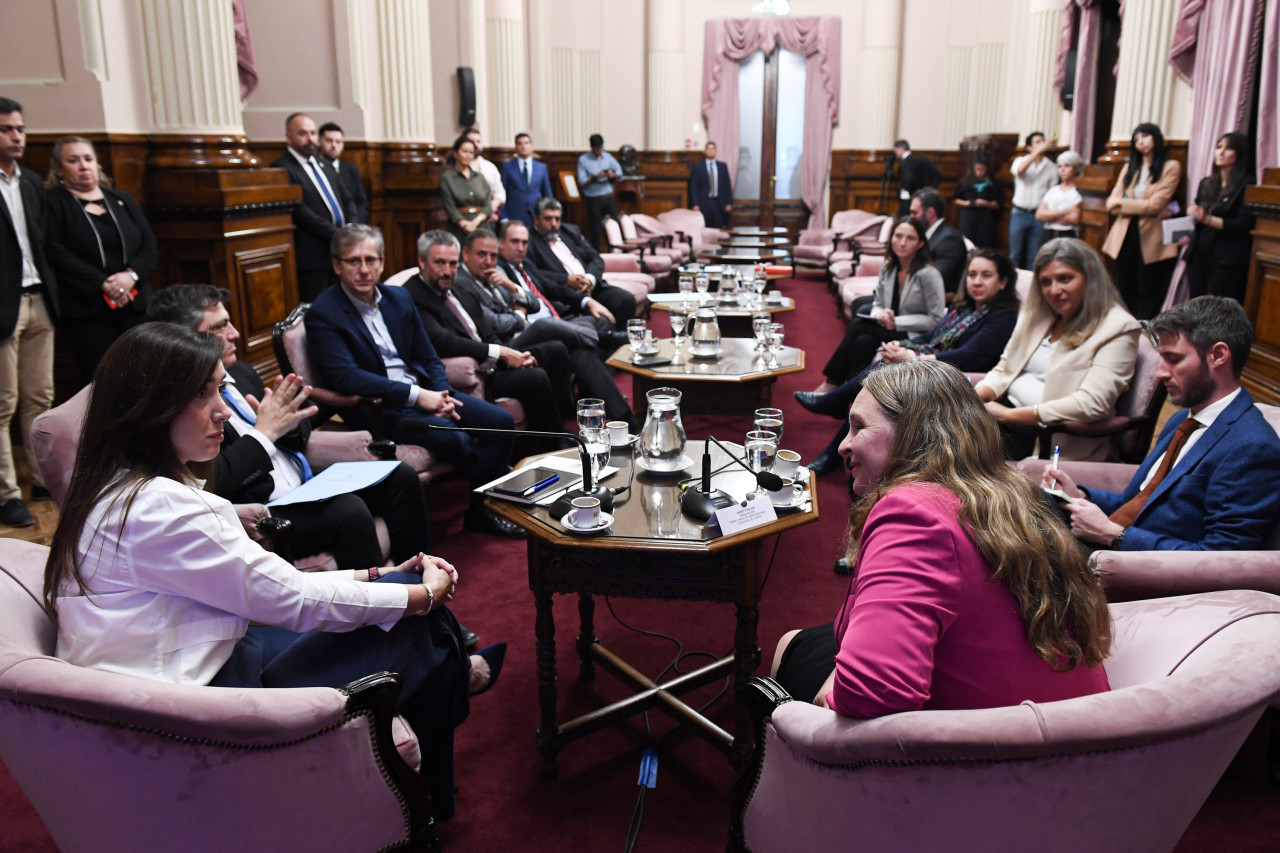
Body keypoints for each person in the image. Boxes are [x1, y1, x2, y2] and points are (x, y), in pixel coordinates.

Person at [44, 321, 503, 823]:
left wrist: (379, 576)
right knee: (423, 624)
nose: (223, 410)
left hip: (208, 660)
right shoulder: (157, 507)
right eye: (203, 395)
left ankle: (441, 756)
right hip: (208, 704)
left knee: (411, 604)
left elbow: (274, 589)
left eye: (220, 387)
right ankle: (425, 803)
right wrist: (422, 597)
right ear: (150, 407)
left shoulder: (120, 485)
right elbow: (292, 600)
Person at [770, 359, 1111, 717]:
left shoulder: (912, 513)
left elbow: (871, 693)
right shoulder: (1014, 491)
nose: (844, 445)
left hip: (986, 752)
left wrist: (831, 690)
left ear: (914, 435)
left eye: (858, 427)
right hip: (1072, 732)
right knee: (800, 643)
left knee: (791, 653)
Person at [147, 284, 436, 572]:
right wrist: (265, 433)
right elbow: (211, 480)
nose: (235, 333)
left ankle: (420, 576)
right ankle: (378, 609)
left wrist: (288, 421)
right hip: (263, 506)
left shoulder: (242, 372)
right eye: (221, 327)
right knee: (350, 512)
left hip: (302, 480)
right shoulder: (181, 405)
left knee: (399, 475)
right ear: (186, 339)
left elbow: (298, 436)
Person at [305, 224, 525, 539]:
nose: (364, 269)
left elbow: (428, 355)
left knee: (500, 422)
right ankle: (494, 486)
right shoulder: (325, 313)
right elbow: (347, 377)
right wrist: (417, 396)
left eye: (371, 260)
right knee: (455, 438)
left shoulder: (398, 299)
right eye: (354, 261)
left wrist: (441, 392)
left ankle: (481, 510)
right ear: (337, 265)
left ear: (382, 262)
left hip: (426, 394)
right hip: (381, 408)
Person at [1042, 296, 1280, 552]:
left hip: (1134, 572)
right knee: (1019, 503)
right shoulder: (1182, 420)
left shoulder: (1253, 446)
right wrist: (1080, 496)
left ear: (1218, 355)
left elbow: (1223, 558)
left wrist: (1114, 536)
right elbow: (1138, 503)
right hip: (1109, 546)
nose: (1160, 372)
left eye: (1174, 359)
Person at [800, 249, 1021, 480]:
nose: (977, 281)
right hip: (934, 364)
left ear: (1003, 281)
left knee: (886, 372)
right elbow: (930, 337)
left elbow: (969, 356)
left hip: (955, 379)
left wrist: (915, 359)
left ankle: (833, 406)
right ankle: (835, 432)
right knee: (876, 352)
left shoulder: (1004, 316)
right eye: (972, 274)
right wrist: (902, 344)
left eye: (986, 275)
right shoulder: (963, 307)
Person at [451, 227, 636, 429]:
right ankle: (606, 339)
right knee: (544, 326)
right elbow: (494, 323)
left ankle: (626, 419)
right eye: (481, 254)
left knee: (579, 350)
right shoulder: (461, 282)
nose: (488, 261)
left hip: (521, 335)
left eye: (492, 256)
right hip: (504, 347)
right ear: (466, 253)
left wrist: (512, 288)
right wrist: (519, 315)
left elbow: (534, 303)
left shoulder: (496, 274)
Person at [976, 237, 1140, 461]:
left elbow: (1093, 404)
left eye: (1065, 279)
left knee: (946, 449)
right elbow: (1005, 367)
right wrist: (977, 396)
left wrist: (1010, 415)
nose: (1054, 290)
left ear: (1090, 279)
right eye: (1045, 282)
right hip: (1001, 415)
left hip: (1046, 436)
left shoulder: (1118, 327)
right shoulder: (1038, 314)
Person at [405, 229, 571, 437]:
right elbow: (443, 341)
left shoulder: (458, 285)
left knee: (555, 350)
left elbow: (486, 330)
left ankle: (564, 426)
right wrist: (501, 354)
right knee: (535, 377)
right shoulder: (412, 295)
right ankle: (554, 441)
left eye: (452, 264)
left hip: (492, 357)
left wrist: (512, 356)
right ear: (422, 261)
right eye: (439, 263)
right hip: (479, 372)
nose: (447, 271)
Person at [44, 136, 156, 380]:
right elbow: (56, 252)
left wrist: (130, 276)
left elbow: (149, 246)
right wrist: (105, 285)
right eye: (73, 161)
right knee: (104, 379)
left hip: (135, 304)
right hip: (89, 310)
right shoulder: (53, 203)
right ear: (59, 169)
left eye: (88, 159)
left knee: (146, 373)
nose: (83, 166)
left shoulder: (121, 199)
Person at [0, 96, 57, 528]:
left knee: (39, 396)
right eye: (6, 130)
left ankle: (42, 480)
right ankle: (7, 493)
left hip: (39, 297)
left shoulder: (32, 182)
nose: (16, 137)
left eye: (19, 129)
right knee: (4, 402)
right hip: (4, 304)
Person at [810, 217, 946, 396]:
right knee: (862, 342)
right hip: (885, 328)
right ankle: (851, 400)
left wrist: (896, 322)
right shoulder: (889, 267)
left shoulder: (929, 274)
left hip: (914, 333)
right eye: (898, 236)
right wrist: (879, 313)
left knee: (859, 324)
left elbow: (935, 319)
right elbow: (878, 302)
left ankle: (832, 384)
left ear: (920, 244)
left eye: (910, 238)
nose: (902, 243)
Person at [1102, 123, 1182, 321]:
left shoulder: (1170, 167)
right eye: (1137, 139)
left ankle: (1145, 330)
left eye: (1145, 136)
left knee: (1149, 285)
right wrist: (1130, 204)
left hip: (1152, 234)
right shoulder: (1130, 168)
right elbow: (1110, 203)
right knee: (1122, 283)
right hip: (1125, 231)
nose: (1141, 142)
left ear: (1156, 137)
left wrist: (1124, 204)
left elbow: (1155, 205)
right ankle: (1120, 324)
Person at [525, 197, 636, 331]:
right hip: (564, 293)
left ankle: (620, 345)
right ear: (536, 219)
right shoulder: (528, 240)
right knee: (596, 318)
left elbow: (595, 258)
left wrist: (589, 279)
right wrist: (566, 280)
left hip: (591, 286)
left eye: (557, 219)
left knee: (625, 300)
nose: (554, 224)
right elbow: (533, 273)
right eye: (548, 219)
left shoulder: (569, 232)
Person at [272, 112, 350, 301]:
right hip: (313, 255)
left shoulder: (325, 165)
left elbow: (345, 199)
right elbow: (301, 212)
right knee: (319, 308)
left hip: (339, 251)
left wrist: (350, 229)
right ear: (289, 138)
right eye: (303, 133)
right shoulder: (282, 169)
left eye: (313, 133)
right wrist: (336, 233)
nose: (310, 139)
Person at [1182, 132, 1255, 304]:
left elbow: (1242, 224)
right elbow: (1198, 216)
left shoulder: (1247, 183)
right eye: (1218, 147)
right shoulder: (1207, 182)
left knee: (1216, 308)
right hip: (1199, 252)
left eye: (1228, 148)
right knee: (1196, 304)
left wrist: (1207, 219)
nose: (1220, 152)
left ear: (1239, 154)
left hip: (1226, 257)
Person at [1008, 132, 1058, 268]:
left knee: (1035, 255)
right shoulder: (1020, 161)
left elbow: (1052, 193)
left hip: (1039, 215)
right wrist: (1037, 152)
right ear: (1029, 147)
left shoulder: (1052, 167)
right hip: (1020, 212)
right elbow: (1019, 170)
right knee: (1014, 254)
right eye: (1037, 142)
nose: (1041, 144)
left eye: (1043, 141)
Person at [908, 189, 967, 294]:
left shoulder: (949, 240)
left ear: (930, 213)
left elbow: (936, 281)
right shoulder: (928, 236)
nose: (911, 218)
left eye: (914, 213)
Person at [439, 134, 491, 243]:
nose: (468, 155)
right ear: (455, 153)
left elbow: (487, 204)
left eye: (471, 152)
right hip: (458, 229)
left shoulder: (479, 177)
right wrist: (464, 224)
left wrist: (476, 222)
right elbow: (450, 206)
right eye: (465, 151)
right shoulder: (447, 178)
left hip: (481, 225)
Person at [317, 121, 369, 224]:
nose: (334, 145)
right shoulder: (314, 169)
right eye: (329, 141)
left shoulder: (351, 169)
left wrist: (354, 226)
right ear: (319, 142)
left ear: (343, 145)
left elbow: (361, 202)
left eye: (338, 141)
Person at [576, 133, 622, 250]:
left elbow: (620, 174)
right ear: (591, 147)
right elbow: (581, 181)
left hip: (608, 197)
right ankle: (597, 254)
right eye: (596, 148)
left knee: (614, 226)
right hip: (593, 198)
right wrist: (595, 177)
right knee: (595, 229)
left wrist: (612, 175)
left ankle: (616, 252)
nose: (599, 150)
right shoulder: (583, 160)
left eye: (600, 147)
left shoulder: (608, 157)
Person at [499, 132, 554, 227]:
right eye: (520, 143)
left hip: (537, 215)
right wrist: (503, 217)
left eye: (526, 143)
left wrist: (550, 214)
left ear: (532, 146)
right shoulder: (507, 167)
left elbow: (547, 193)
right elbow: (501, 193)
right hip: (514, 215)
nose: (523, 146)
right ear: (516, 148)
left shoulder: (541, 167)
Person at [952, 154, 1001, 249]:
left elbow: (997, 203)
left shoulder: (993, 183)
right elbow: (956, 199)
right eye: (977, 169)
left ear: (987, 168)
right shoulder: (966, 181)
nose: (979, 172)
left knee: (985, 245)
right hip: (968, 217)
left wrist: (987, 204)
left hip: (985, 219)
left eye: (982, 169)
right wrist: (968, 203)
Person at [1036, 150, 1085, 240]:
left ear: (1075, 169)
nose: (1062, 169)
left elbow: (1074, 218)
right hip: (1048, 233)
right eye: (1059, 166)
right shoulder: (1053, 190)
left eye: (1067, 166)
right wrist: (1064, 212)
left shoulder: (1078, 192)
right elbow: (1039, 215)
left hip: (1067, 235)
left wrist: (1049, 217)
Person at [463, 126, 505, 223]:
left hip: (490, 218)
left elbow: (500, 193)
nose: (476, 145)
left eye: (478, 141)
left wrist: (493, 205)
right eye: (472, 141)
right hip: (468, 218)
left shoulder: (490, 167)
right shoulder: (461, 167)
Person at [689, 141, 733, 228]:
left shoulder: (722, 166)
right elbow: (694, 187)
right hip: (703, 204)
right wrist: (695, 204)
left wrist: (729, 203)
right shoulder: (698, 167)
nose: (710, 151)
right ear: (705, 151)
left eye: (712, 149)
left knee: (719, 229)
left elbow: (727, 186)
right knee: (705, 228)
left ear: (716, 151)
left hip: (719, 204)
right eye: (708, 149)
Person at [892, 139, 942, 217]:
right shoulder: (922, 159)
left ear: (900, 149)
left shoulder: (905, 162)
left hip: (909, 199)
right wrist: (929, 191)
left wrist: (911, 192)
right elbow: (937, 176)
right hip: (925, 199)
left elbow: (908, 180)